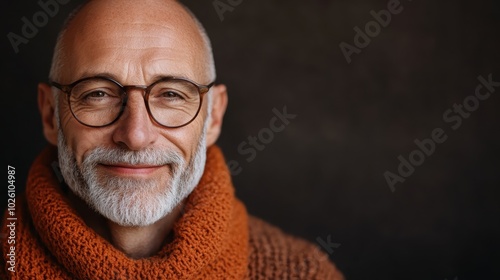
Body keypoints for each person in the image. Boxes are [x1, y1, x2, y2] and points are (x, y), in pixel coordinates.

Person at [1, 0, 344, 279]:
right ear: (49, 114)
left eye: (171, 95)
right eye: (98, 94)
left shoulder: (301, 272)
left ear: (214, 116)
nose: (135, 135)